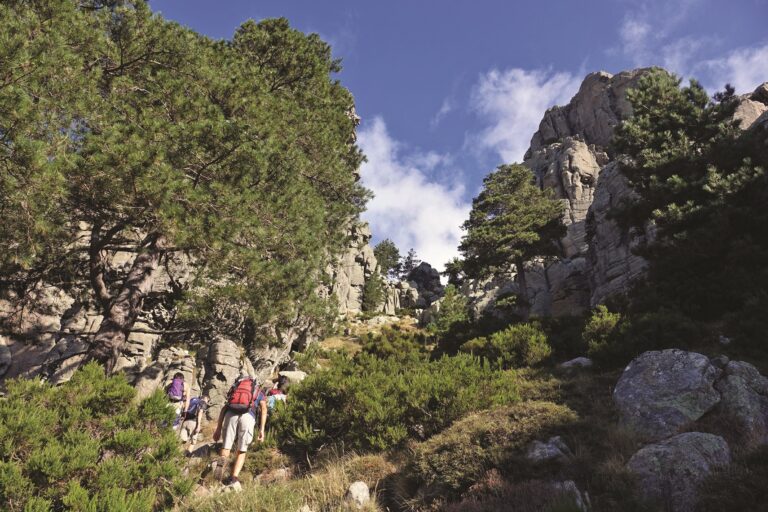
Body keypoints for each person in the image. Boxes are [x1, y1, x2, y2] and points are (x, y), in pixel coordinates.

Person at [212, 375, 267, 486]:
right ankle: (234, 478)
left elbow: (224, 408)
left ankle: (222, 460)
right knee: (242, 449)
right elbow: (264, 409)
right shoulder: (258, 391)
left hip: (230, 414)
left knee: (226, 446)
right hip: (248, 415)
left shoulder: (235, 388)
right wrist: (262, 429)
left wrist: (218, 429)